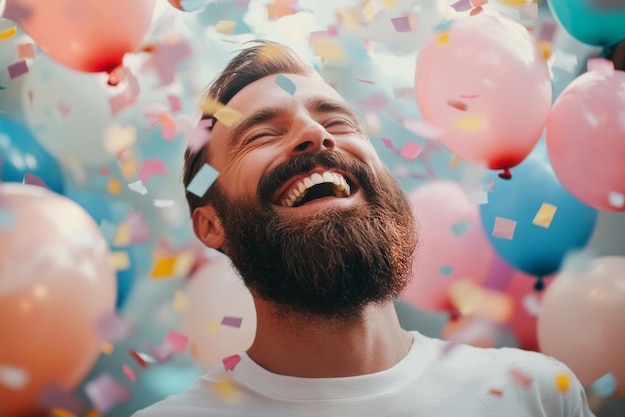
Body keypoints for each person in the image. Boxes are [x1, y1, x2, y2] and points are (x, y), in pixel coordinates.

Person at [132, 40, 594, 417]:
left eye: (336, 120)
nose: (316, 134)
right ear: (212, 226)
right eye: (261, 134)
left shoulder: (538, 395)